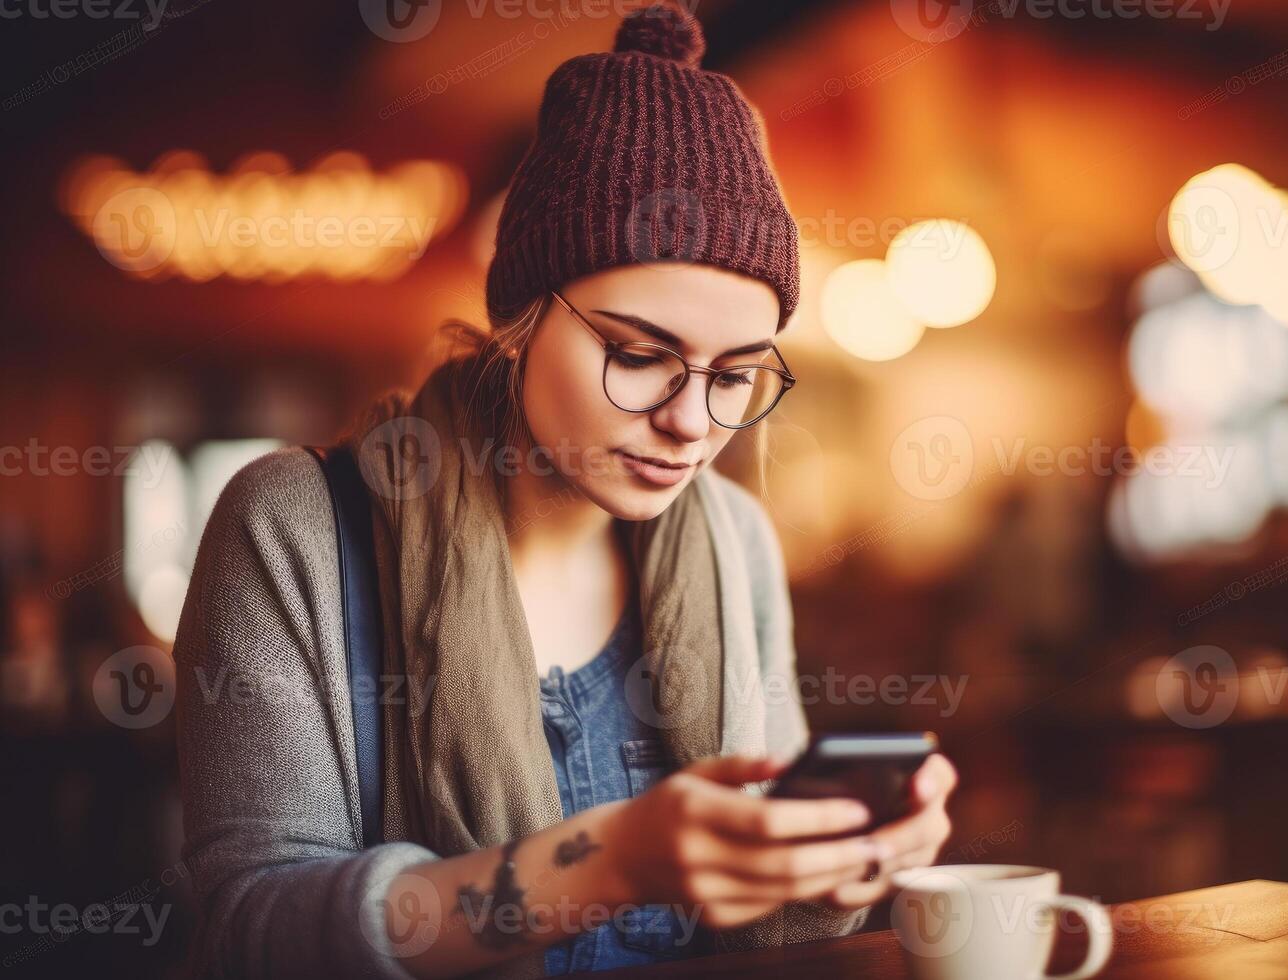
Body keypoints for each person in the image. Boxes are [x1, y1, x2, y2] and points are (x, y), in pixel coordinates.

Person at [172, 4, 957, 977]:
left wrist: (833, 862)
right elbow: (252, 928)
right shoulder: (296, 526)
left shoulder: (733, 541)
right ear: (520, 318)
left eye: (735, 373)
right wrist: (607, 864)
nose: (691, 420)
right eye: (637, 354)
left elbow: (772, 930)